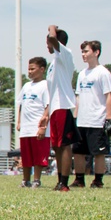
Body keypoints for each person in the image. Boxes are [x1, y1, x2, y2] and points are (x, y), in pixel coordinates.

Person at [72, 40, 111, 188]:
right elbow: (78, 96)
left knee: (98, 152)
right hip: (82, 120)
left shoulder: (103, 72)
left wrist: (109, 118)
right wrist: (75, 117)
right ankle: (79, 179)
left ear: (96, 52)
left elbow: (109, 95)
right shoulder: (82, 74)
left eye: (86, 51)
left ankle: (98, 180)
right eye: (82, 52)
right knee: (78, 151)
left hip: (97, 119)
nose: (83, 55)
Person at [44, 24, 78, 192]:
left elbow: (52, 38)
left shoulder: (65, 54)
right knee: (56, 146)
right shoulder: (53, 63)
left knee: (64, 145)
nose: (47, 45)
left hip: (63, 106)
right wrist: (46, 112)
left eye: (48, 42)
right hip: (54, 108)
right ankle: (59, 181)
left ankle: (64, 182)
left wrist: (52, 28)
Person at [17, 57, 50, 188]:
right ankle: (25, 180)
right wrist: (19, 121)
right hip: (26, 128)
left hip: (37, 127)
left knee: (38, 156)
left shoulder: (46, 85)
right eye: (28, 69)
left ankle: (36, 180)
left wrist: (43, 126)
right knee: (26, 157)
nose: (29, 72)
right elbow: (20, 104)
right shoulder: (26, 86)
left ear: (41, 69)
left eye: (32, 69)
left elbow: (48, 105)